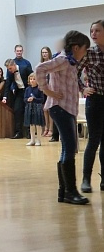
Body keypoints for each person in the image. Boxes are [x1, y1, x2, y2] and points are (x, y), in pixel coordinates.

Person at [35, 30, 90, 205]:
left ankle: (64, 191)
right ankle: (70, 191)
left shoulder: (70, 62)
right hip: (60, 108)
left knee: (68, 148)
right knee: (70, 147)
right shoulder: (64, 59)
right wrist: (47, 90)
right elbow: (40, 69)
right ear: (76, 48)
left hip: (67, 108)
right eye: (84, 49)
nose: (85, 53)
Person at [77, 20, 104, 193]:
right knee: (93, 140)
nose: (93, 34)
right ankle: (86, 178)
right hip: (95, 100)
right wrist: (83, 88)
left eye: (97, 31)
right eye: (91, 31)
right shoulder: (89, 53)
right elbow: (74, 73)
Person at [2, 56, 33, 139]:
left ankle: (30, 132)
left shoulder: (25, 68)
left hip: (28, 91)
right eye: (8, 69)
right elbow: (8, 84)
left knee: (28, 111)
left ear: (14, 65)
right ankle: (18, 132)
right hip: (19, 92)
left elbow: (33, 77)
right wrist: (5, 97)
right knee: (17, 110)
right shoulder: (10, 73)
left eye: (10, 68)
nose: (9, 70)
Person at [23, 72, 45, 146]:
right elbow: (24, 99)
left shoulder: (39, 89)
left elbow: (42, 99)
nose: (32, 80)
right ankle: (32, 140)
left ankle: (38, 140)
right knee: (31, 125)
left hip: (37, 108)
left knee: (38, 125)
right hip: (29, 108)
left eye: (34, 79)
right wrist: (27, 100)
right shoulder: (27, 89)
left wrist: (34, 99)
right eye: (31, 79)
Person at [40, 47, 53, 137]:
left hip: (51, 88)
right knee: (44, 109)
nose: (44, 54)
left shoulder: (52, 64)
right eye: (43, 52)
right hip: (43, 89)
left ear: (49, 53)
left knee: (50, 109)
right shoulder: (40, 65)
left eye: (46, 52)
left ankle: (51, 129)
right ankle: (46, 128)